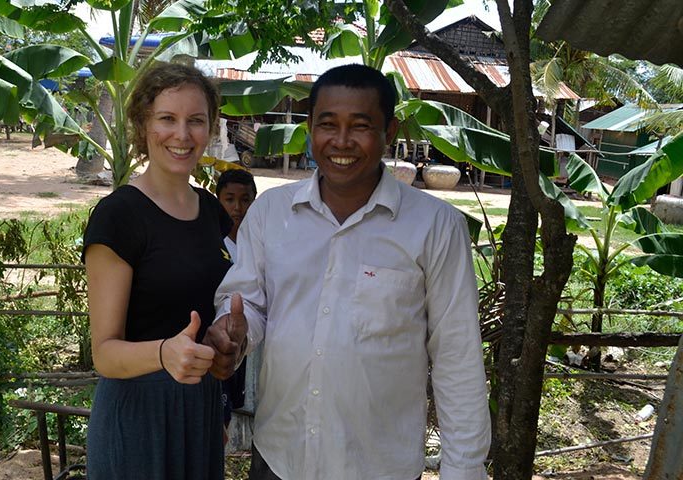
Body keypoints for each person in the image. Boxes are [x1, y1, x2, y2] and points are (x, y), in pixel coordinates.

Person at [206, 64, 491, 480]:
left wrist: (463, 470)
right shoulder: (270, 213)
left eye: (360, 126)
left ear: (389, 131)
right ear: (309, 129)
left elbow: (456, 354)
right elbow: (248, 303)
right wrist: (234, 332)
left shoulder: (434, 226)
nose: (341, 141)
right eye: (327, 124)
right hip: (280, 456)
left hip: (379, 465)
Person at [82, 62, 233, 479]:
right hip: (138, 417)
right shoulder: (119, 216)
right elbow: (105, 354)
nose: (182, 135)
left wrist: (222, 340)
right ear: (143, 125)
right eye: (167, 119)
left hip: (199, 409)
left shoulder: (211, 212)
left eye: (196, 121)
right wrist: (165, 353)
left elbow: (208, 305)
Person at [216, 168, 257, 262]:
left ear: (254, 203)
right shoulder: (211, 241)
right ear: (218, 202)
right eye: (230, 200)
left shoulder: (261, 241)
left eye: (245, 200)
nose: (237, 207)